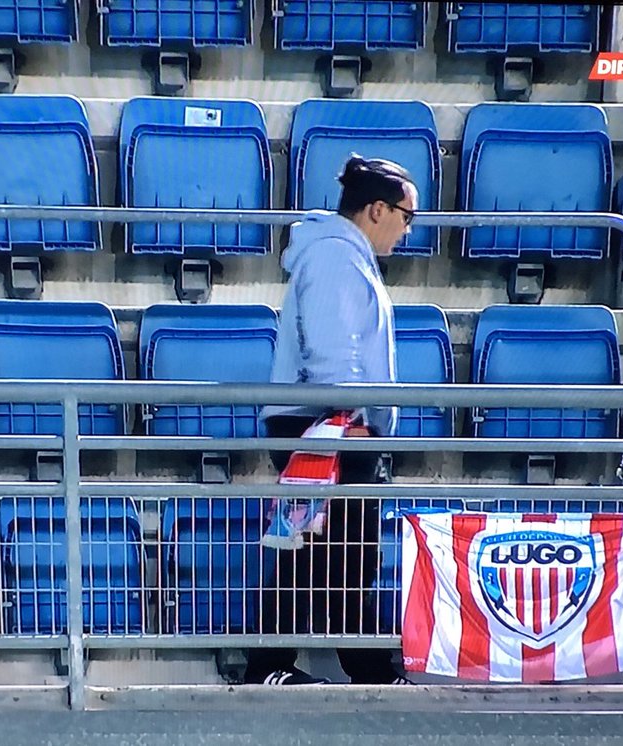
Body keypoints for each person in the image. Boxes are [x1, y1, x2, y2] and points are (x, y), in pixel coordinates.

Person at [244, 155, 418, 686]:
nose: (408, 230)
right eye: (407, 217)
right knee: (336, 554)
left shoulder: (339, 255)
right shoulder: (337, 259)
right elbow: (335, 352)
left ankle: (283, 667)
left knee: (324, 555)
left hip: (331, 424)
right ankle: (338, 669)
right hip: (330, 426)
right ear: (377, 209)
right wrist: (350, 418)